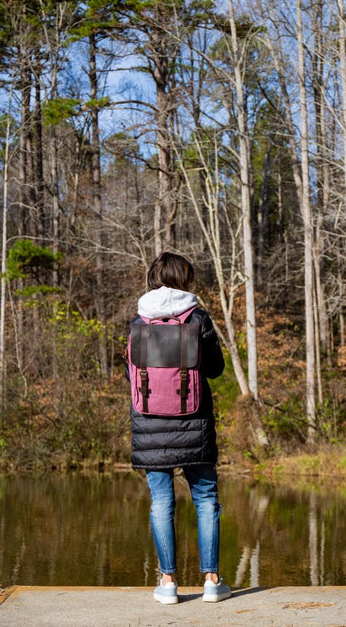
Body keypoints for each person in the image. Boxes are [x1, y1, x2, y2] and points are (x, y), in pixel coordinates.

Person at [127, 251, 231, 605]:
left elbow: (130, 377)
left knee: (161, 503)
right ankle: (212, 582)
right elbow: (215, 369)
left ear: (154, 278)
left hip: (150, 426)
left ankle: (168, 582)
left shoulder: (138, 323)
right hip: (195, 423)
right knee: (205, 501)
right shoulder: (198, 317)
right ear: (184, 278)